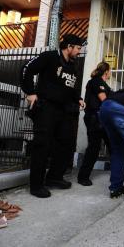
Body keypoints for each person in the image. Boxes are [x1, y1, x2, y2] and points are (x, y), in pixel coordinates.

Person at [20, 34, 86, 198]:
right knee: (42, 145)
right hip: (46, 108)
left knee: (66, 143)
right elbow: (26, 69)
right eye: (78, 48)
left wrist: (77, 99)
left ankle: (54, 178)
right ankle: (36, 185)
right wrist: (30, 92)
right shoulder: (49, 57)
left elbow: (70, 88)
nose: (79, 52)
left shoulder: (72, 66)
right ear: (69, 46)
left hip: (63, 110)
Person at [77, 62, 111, 186]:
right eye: (109, 71)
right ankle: (83, 177)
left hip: (101, 118)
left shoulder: (102, 83)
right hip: (94, 118)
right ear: (106, 71)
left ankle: (119, 170)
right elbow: (104, 100)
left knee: (113, 145)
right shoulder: (96, 81)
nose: (110, 73)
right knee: (94, 148)